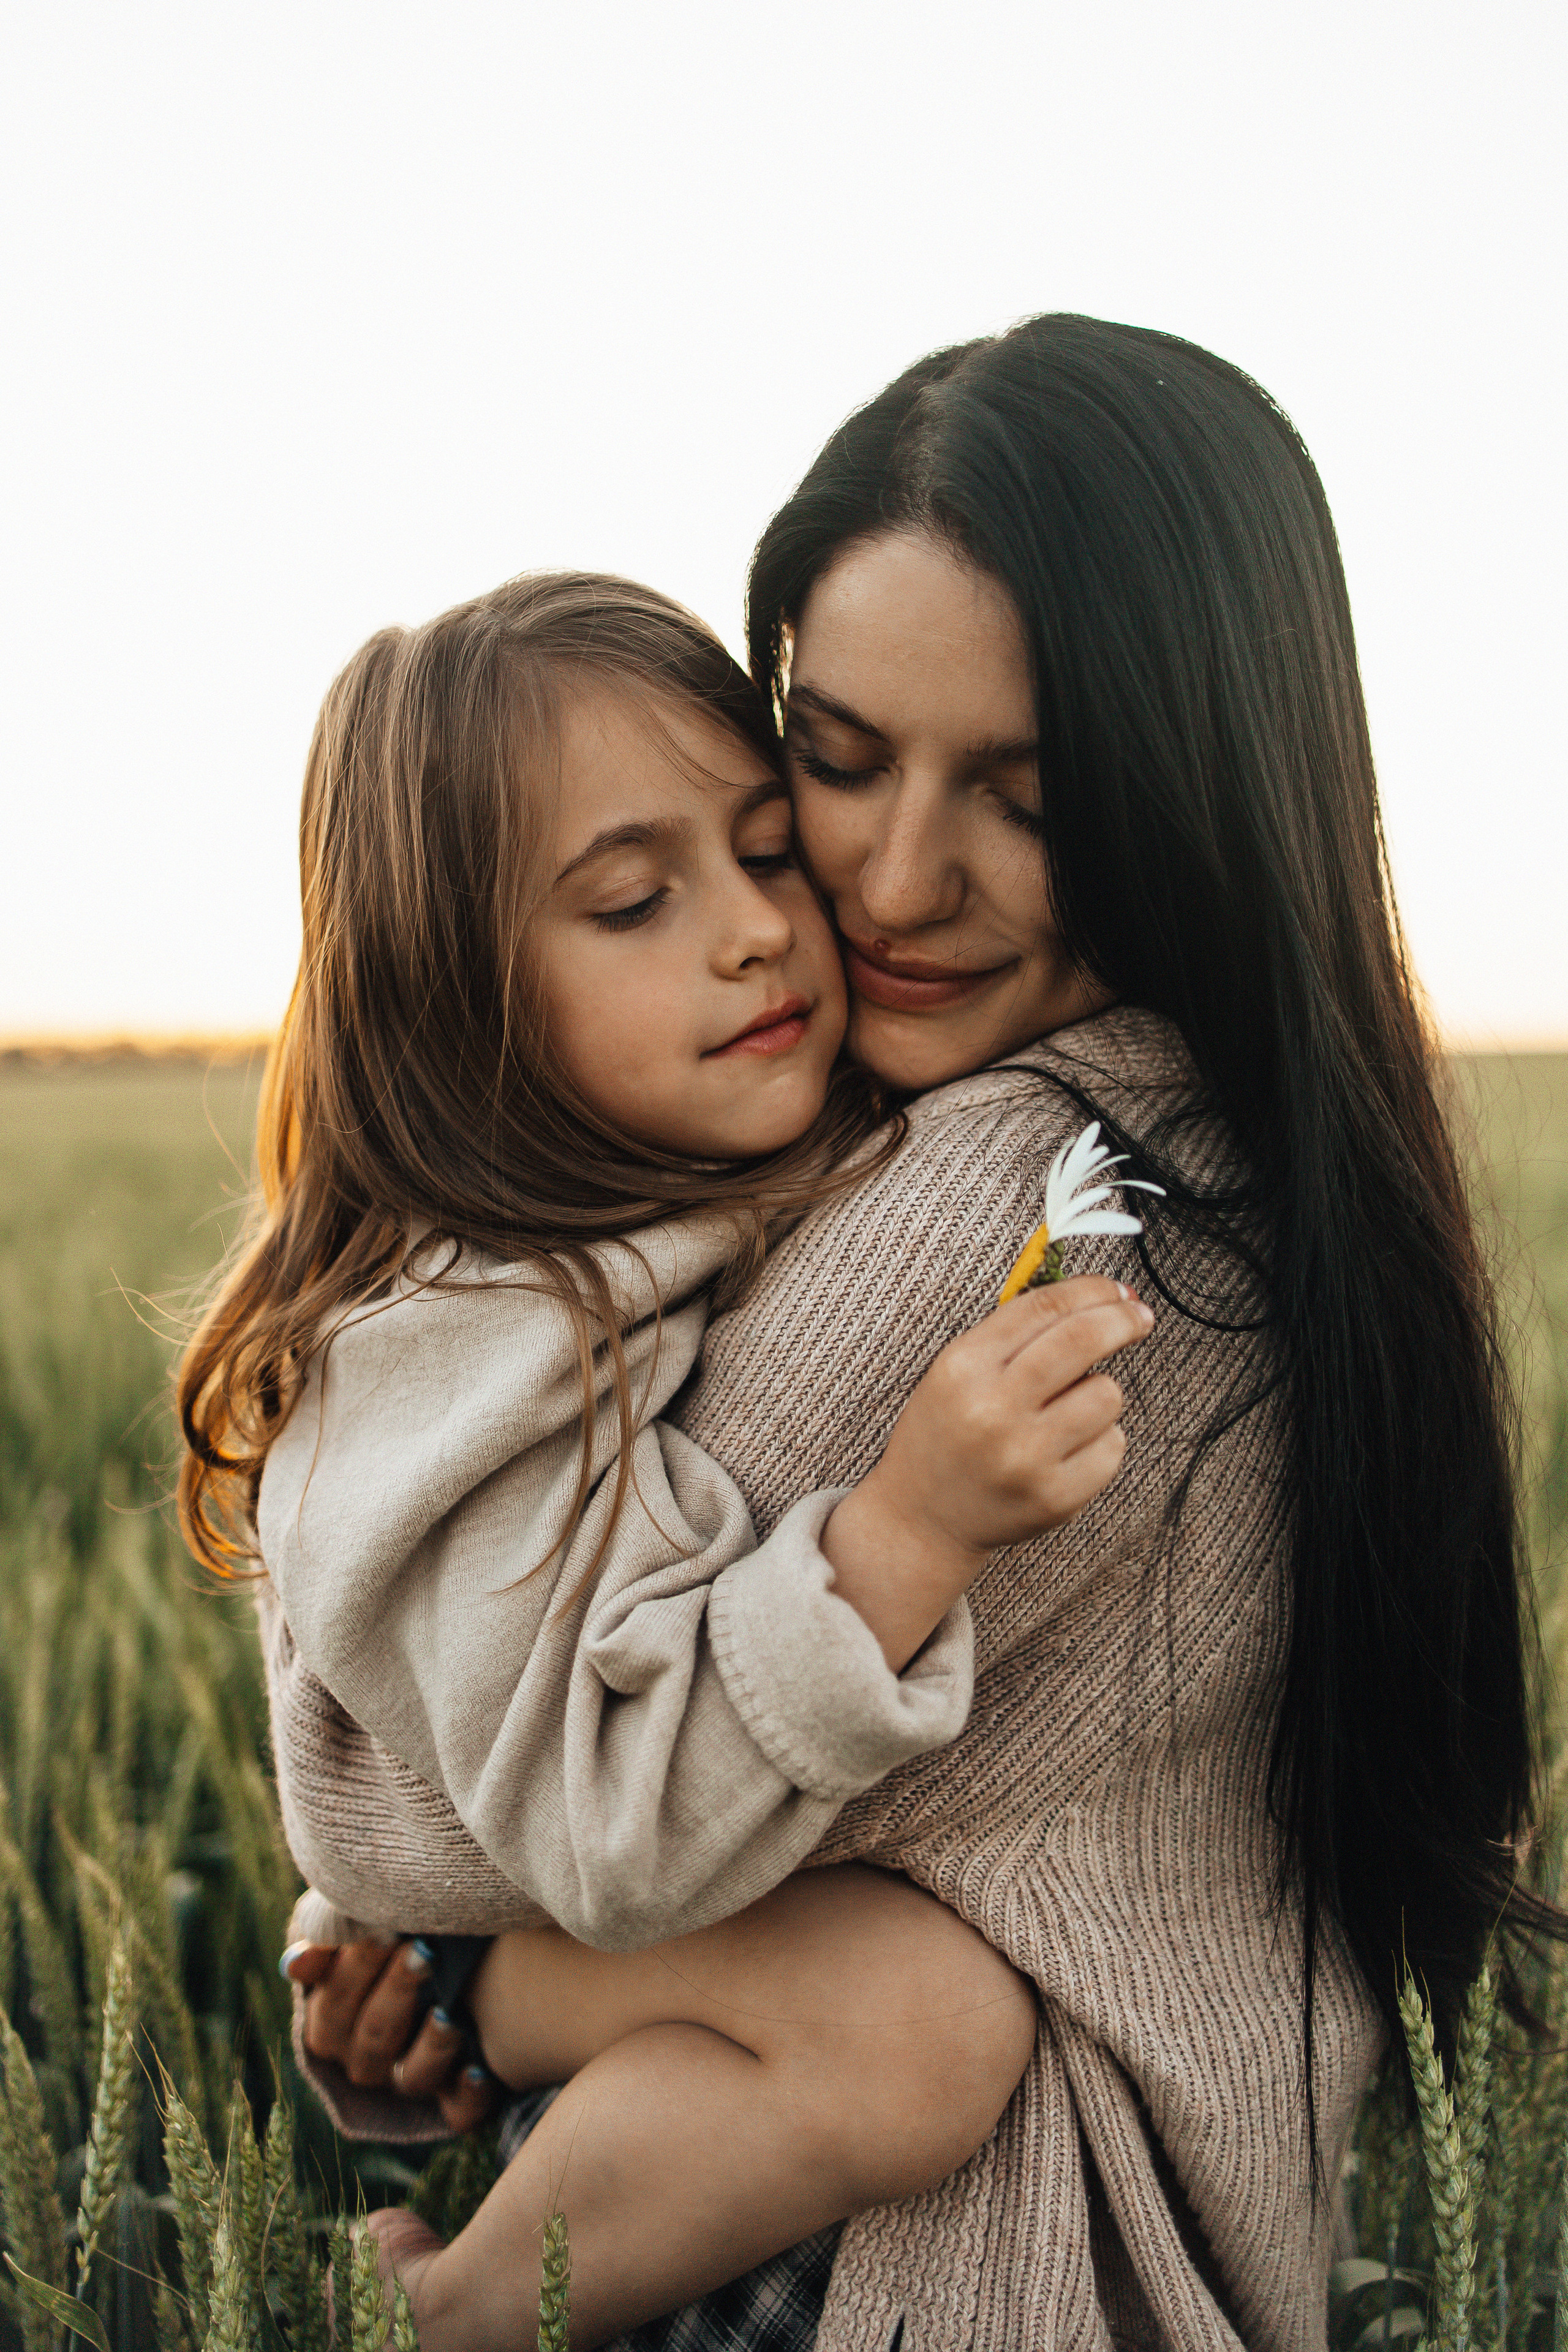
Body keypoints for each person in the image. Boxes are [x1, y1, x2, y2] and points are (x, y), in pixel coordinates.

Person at [281, 317, 1555, 2351]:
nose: (875, 883)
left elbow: (457, 1793)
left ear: (1194, 796)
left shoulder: (1014, 1215)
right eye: (839, 759)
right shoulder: (1260, 1160)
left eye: (1025, 800)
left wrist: (433, 1969)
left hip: (936, 2272)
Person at [177, 570, 1157, 2348]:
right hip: (595, 1880)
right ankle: (445, 2321)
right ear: (449, 1005)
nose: (760, 930)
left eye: (768, 850)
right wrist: (904, 1532)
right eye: (634, 899)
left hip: (537, 1937)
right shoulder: (471, 1338)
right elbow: (588, 1795)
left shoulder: (695, 1165)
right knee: (923, 2024)